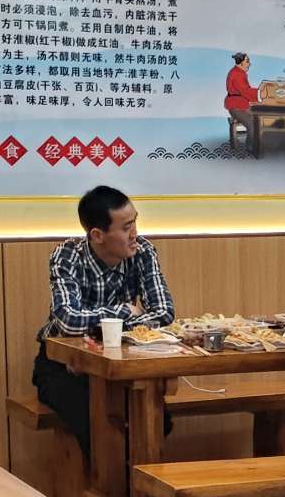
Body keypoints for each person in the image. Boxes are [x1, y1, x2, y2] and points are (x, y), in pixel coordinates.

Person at [31, 185, 177, 459]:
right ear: (97, 235)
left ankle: (135, 482)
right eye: (126, 227)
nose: (135, 234)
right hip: (63, 365)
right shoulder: (68, 255)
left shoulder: (143, 251)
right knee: (96, 424)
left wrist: (106, 326)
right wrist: (126, 311)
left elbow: (164, 313)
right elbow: (68, 321)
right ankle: (111, 485)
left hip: (119, 363)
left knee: (159, 420)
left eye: (135, 222)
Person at [224, 51, 257, 117]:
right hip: (238, 105)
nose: (249, 64)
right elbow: (245, 91)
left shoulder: (237, 72)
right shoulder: (237, 74)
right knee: (257, 120)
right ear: (241, 63)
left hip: (238, 104)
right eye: (247, 61)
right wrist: (260, 94)